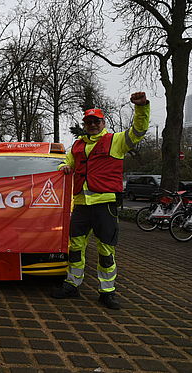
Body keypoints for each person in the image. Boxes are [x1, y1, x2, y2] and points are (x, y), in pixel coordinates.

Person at [51, 92, 150, 310]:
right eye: (89, 122)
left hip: (105, 205)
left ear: (103, 122)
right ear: (84, 124)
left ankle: (107, 291)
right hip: (81, 206)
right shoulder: (76, 145)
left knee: (106, 250)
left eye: (96, 121)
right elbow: (64, 164)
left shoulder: (115, 141)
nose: (93, 124)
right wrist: (64, 168)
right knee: (75, 247)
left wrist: (141, 107)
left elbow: (138, 131)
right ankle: (72, 285)